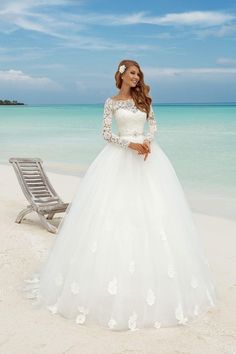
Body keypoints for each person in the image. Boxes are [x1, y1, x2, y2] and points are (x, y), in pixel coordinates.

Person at [24, 59, 217, 331]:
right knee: (115, 215)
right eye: (133, 73)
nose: (137, 78)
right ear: (122, 75)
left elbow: (154, 126)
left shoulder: (145, 100)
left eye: (139, 74)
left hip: (148, 158)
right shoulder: (111, 102)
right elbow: (105, 134)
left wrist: (147, 142)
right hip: (119, 159)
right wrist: (130, 144)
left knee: (155, 214)